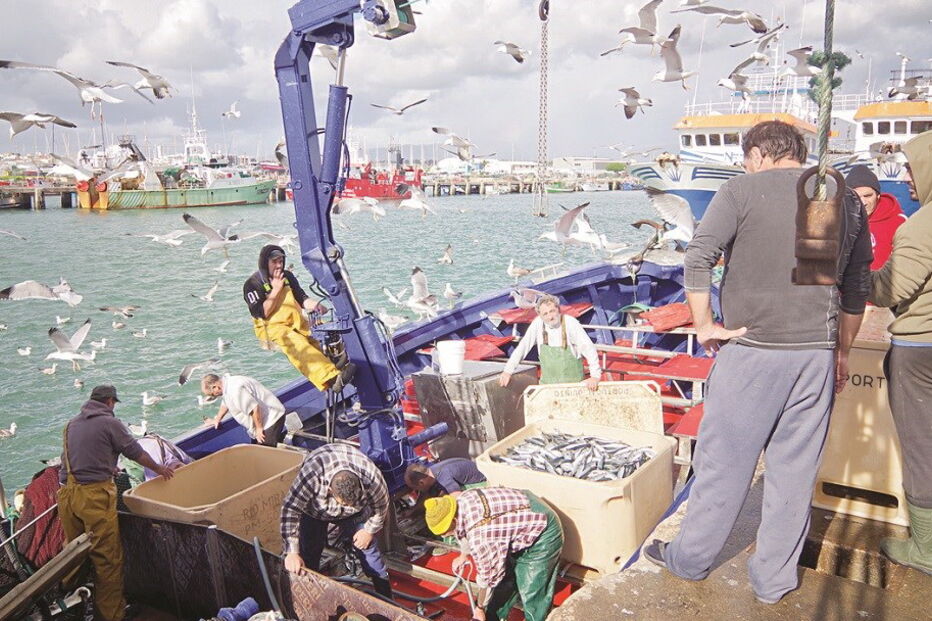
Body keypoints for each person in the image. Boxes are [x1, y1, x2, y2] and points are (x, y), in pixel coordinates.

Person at [641, 120, 873, 604]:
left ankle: (690, 560)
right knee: (794, 471)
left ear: (760, 154)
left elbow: (698, 258)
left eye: (747, 158)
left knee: (724, 465)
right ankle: (773, 582)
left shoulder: (740, 190)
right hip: (816, 357)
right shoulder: (844, 197)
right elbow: (855, 284)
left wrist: (705, 326)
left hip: (752, 353)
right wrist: (844, 351)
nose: (745, 166)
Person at [58, 385, 176, 621]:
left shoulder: (71, 424)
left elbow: (74, 459)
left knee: (73, 551)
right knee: (108, 560)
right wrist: (160, 469)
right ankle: (112, 616)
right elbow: (135, 452)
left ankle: (64, 599)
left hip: (66, 496)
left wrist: (107, 466)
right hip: (93, 498)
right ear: (110, 402)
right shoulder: (110, 422)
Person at [869, 131, 932, 575]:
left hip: (917, 352)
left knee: (921, 446)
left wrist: (845, 274)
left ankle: (925, 549)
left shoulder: (921, 225)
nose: (905, 178)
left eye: (911, 167)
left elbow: (891, 289)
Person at [424, 487, 564, 621]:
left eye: (445, 532)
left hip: (542, 528)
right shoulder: (461, 499)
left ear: (453, 520)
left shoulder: (481, 537)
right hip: (516, 519)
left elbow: (488, 579)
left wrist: (479, 608)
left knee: (532, 591)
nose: (444, 536)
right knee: (505, 580)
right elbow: (463, 530)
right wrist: (463, 555)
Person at [280, 443, 393, 599]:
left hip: (356, 514)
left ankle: (386, 597)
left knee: (370, 553)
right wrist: (292, 552)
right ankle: (311, 595)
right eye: (345, 503)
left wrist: (369, 530)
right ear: (331, 491)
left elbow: (381, 507)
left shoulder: (372, 477)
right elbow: (290, 509)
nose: (348, 505)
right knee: (309, 554)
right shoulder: (312, 476)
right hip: (315, 512)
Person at [243, 244, 355, 393]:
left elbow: (302, 299)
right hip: (272, 328)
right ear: (264, 263)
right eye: (274, 262)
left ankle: (340, 362)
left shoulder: (287, 276)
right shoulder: (252, 284)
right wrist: (276, 290)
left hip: (294, 320)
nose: (279, 265)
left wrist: (316, 306)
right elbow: (262, 312)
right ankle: (332, 378)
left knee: (326, 331)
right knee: (298, 345)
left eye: (281, 261)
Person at [499, 294, 601, 391]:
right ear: (540, 315)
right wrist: (508, 371)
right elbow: (523, 347)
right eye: (545, 314)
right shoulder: (538, 323)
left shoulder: (570, 323)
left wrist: (595, 377)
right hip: (548, 387)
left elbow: (589, 349)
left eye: (552, 311)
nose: (550, 317)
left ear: (558, 310)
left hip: (573, 386)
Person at [846, 164, 907, 269]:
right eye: (856, 197)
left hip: (884, 283)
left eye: (868, 196)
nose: (862, 202)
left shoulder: (899, 222)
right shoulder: (838, 221)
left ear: (878, 196)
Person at [201, 373, 287, 446]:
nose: (214, 396)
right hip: (263, 419)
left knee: (265, 453)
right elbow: (226, 402)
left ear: (215, 387)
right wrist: (217, 419)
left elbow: (254, 408)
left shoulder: (235, 390)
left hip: (272, 419)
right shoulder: (227, 385)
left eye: (212, 394)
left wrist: (259, 429)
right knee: (257, 449)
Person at [404, 458, 487, 497]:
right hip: (480, 468)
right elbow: (425, 495)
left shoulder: (443, 478)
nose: (419, 491)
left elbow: (458, 498)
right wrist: (413, 510)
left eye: (417, 489)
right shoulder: (433, 470)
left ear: (421, 482)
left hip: (485, 480)